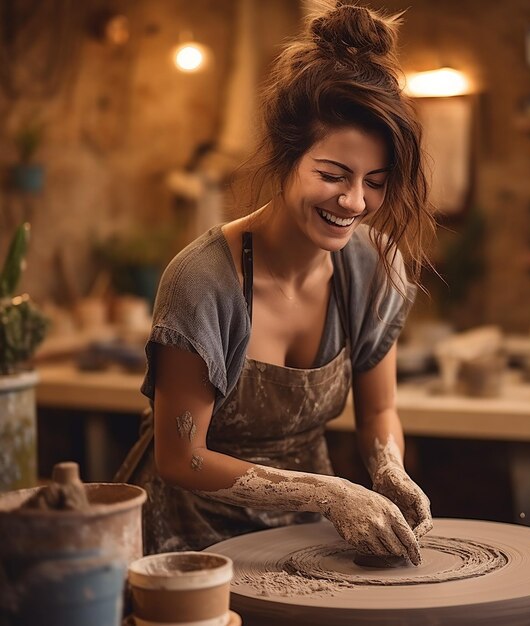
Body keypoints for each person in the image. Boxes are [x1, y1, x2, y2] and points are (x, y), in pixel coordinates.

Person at [119, 0, 434, 563]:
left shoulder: (370, 267)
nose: (355, 202)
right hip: (188, 540)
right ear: (287, 157)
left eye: (375, 182)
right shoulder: (203, 280)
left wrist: (388, 469)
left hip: (303, 537)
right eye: (333, 175)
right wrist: (331, 492)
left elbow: (379, 411)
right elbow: (180, 456)